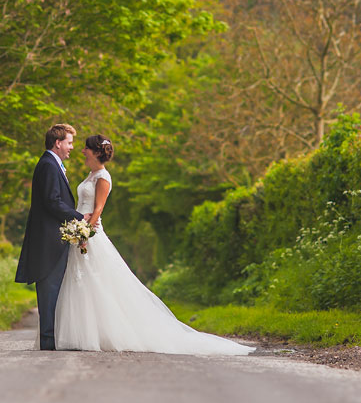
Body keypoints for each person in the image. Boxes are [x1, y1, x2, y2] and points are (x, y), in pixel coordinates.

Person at [54, 135, 255, 355]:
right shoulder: (90, 175)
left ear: (95, 152)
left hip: (91, 234)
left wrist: (86, 232)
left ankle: (102, 334)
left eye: (86, 148)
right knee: (85, 281)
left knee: (98, 281)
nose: (82, 151)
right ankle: (85, 333)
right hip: (80, 231)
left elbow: (99, 208)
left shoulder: (103, 177)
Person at [15, 124, 92, 350]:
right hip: (48, 241)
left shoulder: (52, 164)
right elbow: (52, 201)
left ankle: (52, 340)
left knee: (55, 290)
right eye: (69, 142)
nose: (72, 148)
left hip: (53, 239)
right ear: (57, 143)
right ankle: (48, 342)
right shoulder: (48, 165)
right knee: (49, 290)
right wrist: (79, 217)